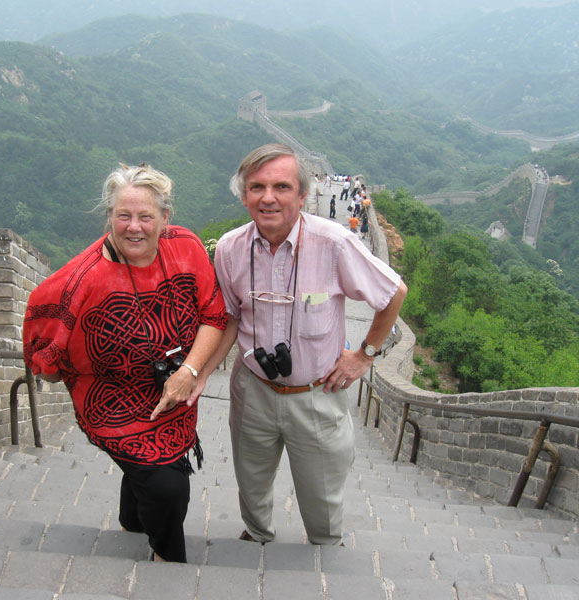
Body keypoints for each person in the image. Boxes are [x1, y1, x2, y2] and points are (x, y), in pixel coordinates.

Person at [192, 143, 406, 546]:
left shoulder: (334, 243)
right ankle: (256, 534)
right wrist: (201, 373)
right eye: (257, 187)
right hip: (253, 387)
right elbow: (231, 318)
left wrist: (365, 355)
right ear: (244, 195)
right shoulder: (229, 248)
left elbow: (393, 292)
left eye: (281, 187)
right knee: (251, 479)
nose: (268, 197)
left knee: (322, 495)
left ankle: (323, 550)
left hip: (317, 394)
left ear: (302, 195)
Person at [23, 163, 227, 562]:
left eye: (146, 216)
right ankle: (167, 561)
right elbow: (40, 338)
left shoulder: (185, 247)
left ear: (165, 218)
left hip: (174, 389)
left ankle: (132, 524)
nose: (134, 227)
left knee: (148, 469)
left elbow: (213, 315)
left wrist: (189, 371)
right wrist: (52, 365)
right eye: (123, 215)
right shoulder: (81, 281)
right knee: (169, 487)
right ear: (109, 217)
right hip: (111, 404)